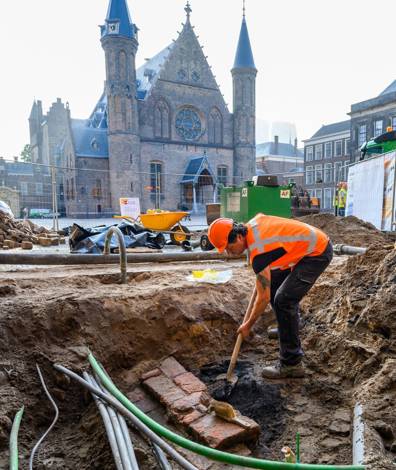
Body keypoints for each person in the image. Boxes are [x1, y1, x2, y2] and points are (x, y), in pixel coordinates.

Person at [208, 214, 333, 378]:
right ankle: (287, 326)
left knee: (283, 300)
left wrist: (248, 325)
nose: (229, 253)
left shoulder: (259, 251)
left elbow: (263, 298)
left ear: (238, 236)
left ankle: (291, 364)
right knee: (275, 286)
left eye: (229, 247)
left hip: (317, 252)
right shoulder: (251, 227)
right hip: (302, 247)